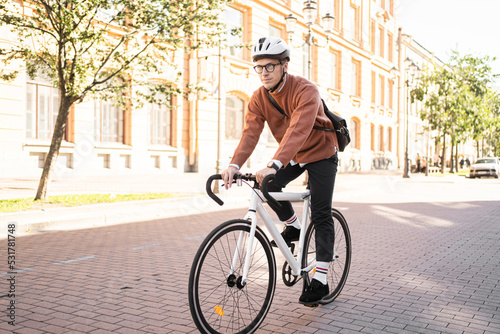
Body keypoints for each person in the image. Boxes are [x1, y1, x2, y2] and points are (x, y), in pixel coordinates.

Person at [221, 36, 339, 306]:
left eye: (270, 66)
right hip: (294, 155)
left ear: (285, 65)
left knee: (321, 213)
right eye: (259, 67)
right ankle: (294, 227)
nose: (264, 73)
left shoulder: (306, 90)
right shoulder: (258, 98)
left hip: (321, 153)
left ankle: (320, 280)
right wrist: (233, 165)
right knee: (268, 186)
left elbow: (299, 129)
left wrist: (274, 163)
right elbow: (250, 133)